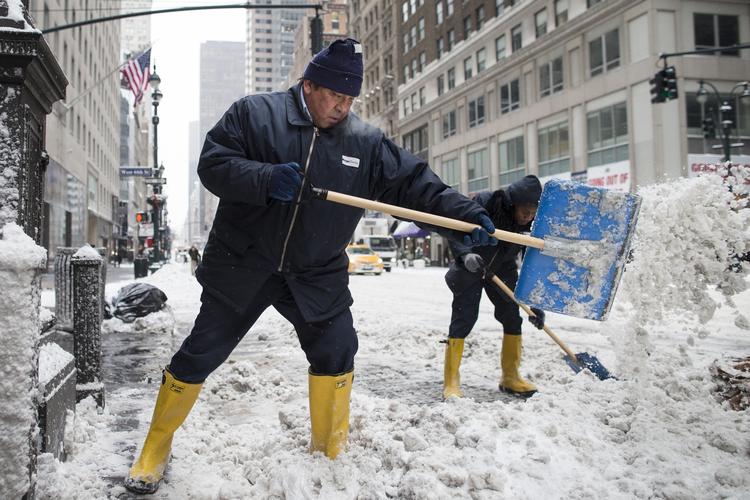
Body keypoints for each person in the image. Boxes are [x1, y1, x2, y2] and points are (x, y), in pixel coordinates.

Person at [124, 38, 498, 495]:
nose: (342, 107)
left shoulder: (364, 142)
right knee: (202, 351)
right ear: (309, 85)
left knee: (337, 350)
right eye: (335, 96)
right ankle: (154, 448)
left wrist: (464, 215)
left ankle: (330, 450)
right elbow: (213, 165)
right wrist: (265, 178)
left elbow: (416, 186)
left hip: (315, 270)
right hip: (244, 264)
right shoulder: (255, 114)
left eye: (349, 99)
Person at [442, 175, 546, 400]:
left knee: (512, 317)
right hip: (471, 265)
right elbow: (457, 226)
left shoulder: (530, 226)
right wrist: (465, 254)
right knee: (465, 318)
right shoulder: (487, 202)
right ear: (513, 204)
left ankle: (511, 377)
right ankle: (451, 382)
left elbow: (532, 264)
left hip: (501, 268)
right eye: (525, 212)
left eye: (532, 213)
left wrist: (535, 303)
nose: (528, 218)